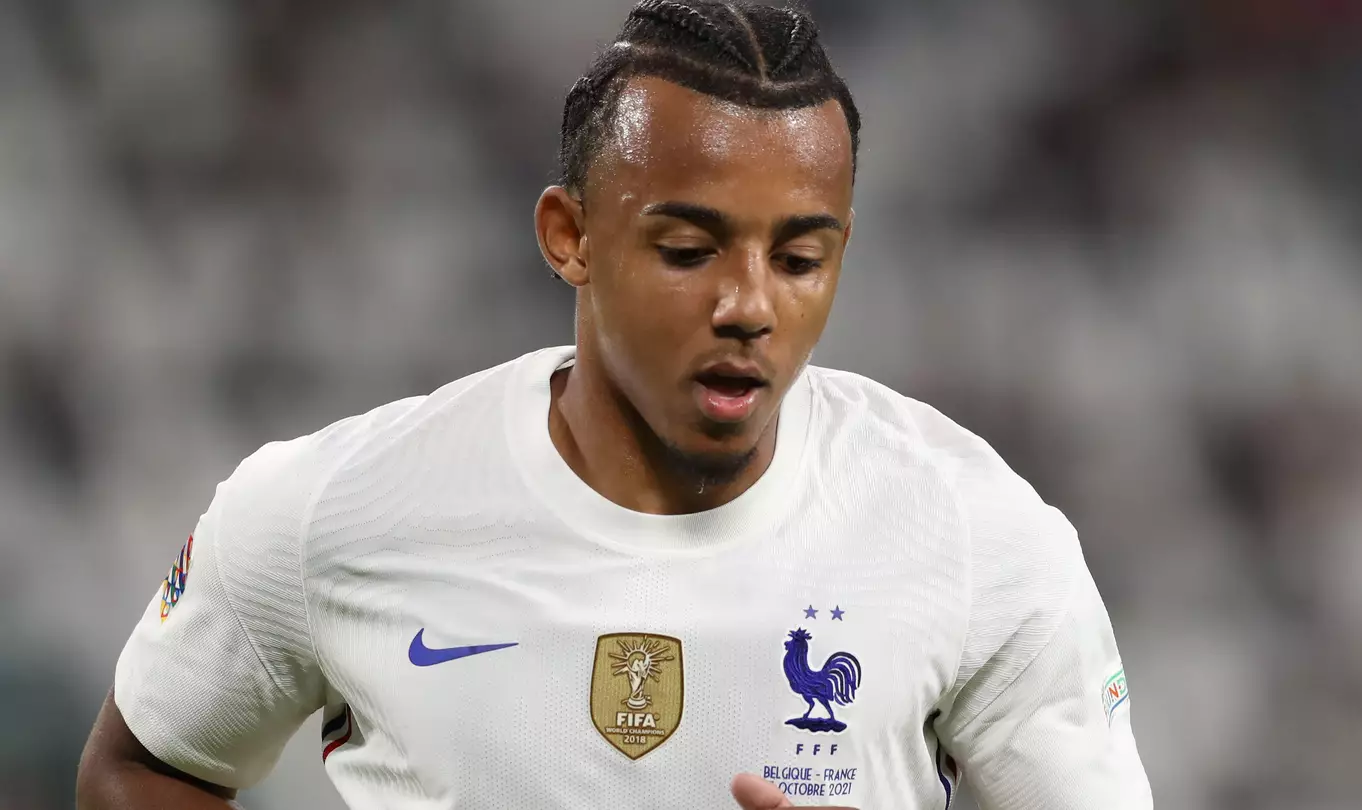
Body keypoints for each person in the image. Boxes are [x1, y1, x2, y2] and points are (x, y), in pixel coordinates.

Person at [76, 1, 1152, 808]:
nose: (749, 305)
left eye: (800, 257)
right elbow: (143, 766)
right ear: (570, 236)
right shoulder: (327, 511)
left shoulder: (976, 534)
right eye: (689, 250)